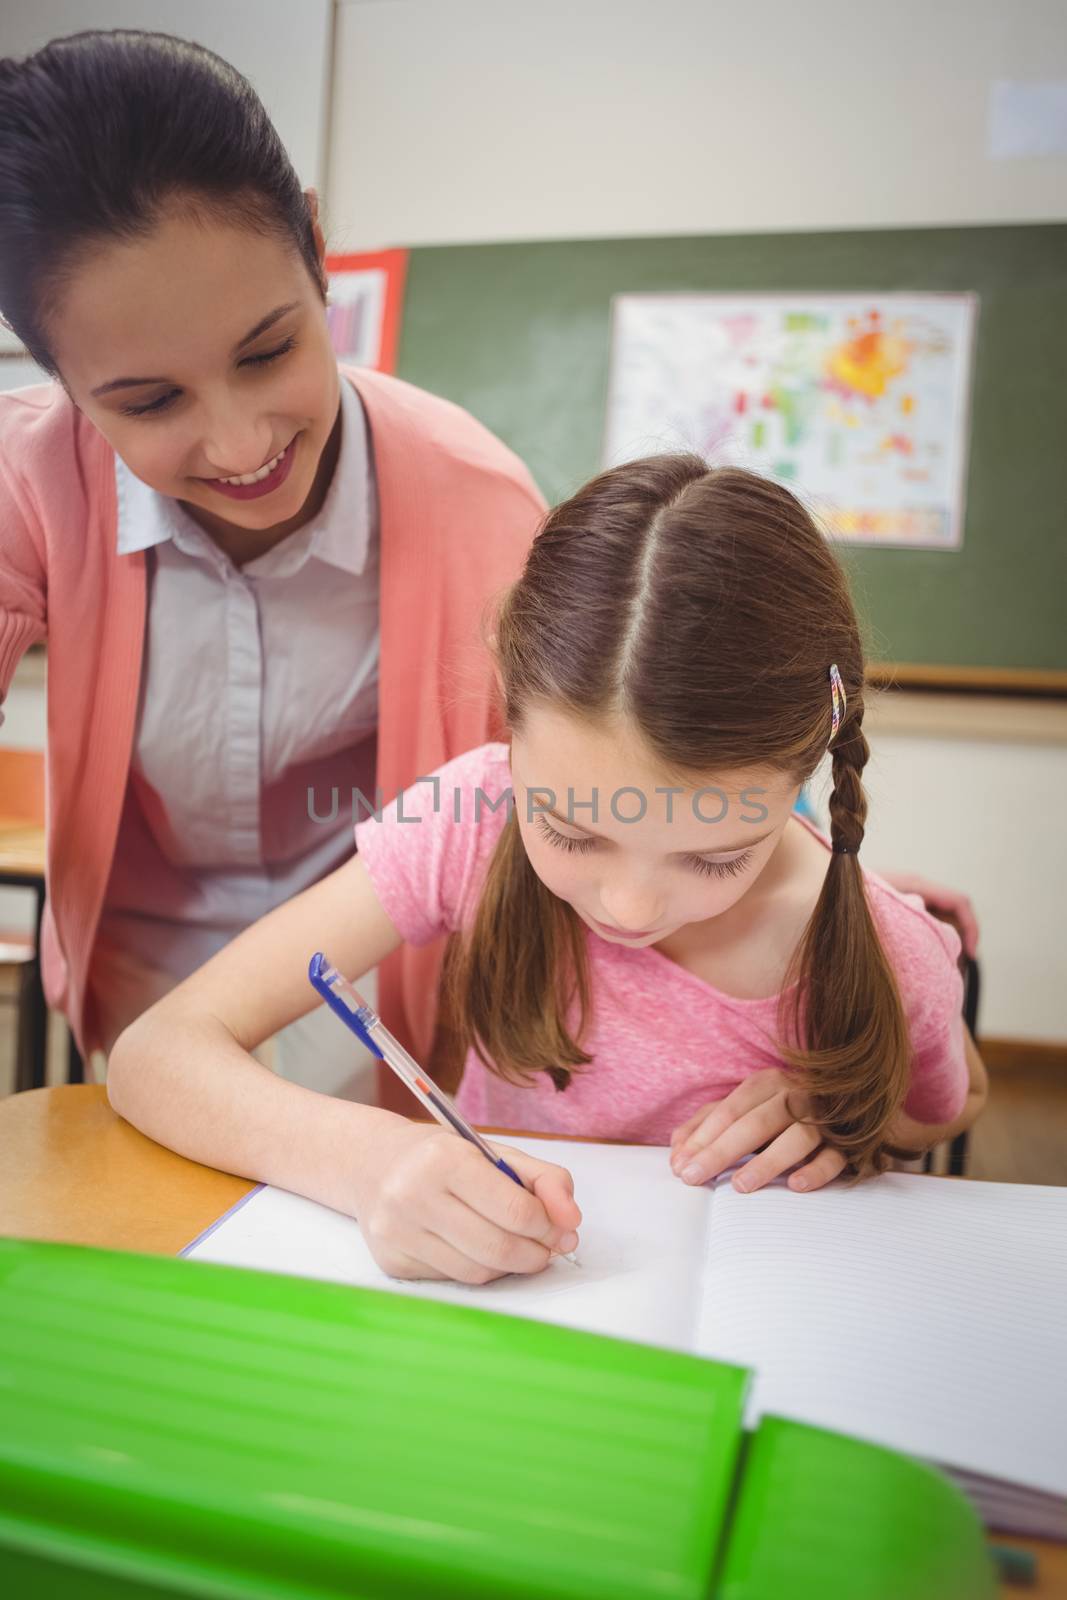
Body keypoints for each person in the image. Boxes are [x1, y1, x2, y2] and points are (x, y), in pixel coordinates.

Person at [108, 457, 988, 1283]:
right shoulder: (469, 819)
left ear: (805, 767)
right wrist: (365, 1158)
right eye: (570, 833)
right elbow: (156, 1053)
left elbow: (946, 1103)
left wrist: (840, 1111)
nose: (630, 905)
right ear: (508, 707)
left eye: (715, 856)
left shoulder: (883, 944)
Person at [0, 30, 543, 1079]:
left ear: (313, 238)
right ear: (57, 375)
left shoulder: (481, 508)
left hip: (385, 1008)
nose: (243, 444)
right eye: (150, 401)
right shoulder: (30, 477)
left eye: (269, 350)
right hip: (138, 1015)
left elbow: (593, 778)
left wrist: (809, 899)